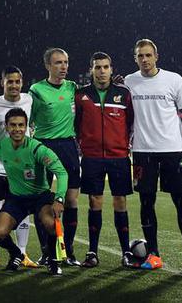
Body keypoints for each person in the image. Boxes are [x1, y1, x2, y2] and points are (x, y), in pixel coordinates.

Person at [124, 39, 182, 270]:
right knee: (146, 202)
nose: (145, 60)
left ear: (156, 56)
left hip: (173, 150)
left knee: (180, 202)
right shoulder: (129, 82)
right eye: (140, 56)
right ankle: (154, 255)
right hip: (142, 152)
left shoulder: (174, 80)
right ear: (135, 58)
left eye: (148, 55)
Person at [0, 108, 69, 276]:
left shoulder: (37, 149)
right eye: (13, 125)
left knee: (51, 224)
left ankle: (52, 260)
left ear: (27, 127)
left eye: (21, 125)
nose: (17, 129)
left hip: (40, 197)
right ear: (6, 127)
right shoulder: (1, 146)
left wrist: (59, 199)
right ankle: (16, 254)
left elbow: (61, 172)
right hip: (16, 199)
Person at [74, 52, 133, 267]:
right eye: (97, 67)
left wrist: (121, 144)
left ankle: (126, 252)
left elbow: (130, 123)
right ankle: (92, 252)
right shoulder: (81, 95)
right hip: (92, 157)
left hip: (119, 157)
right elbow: (77, 124)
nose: (101, 71)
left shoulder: (124, 94)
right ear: (91, 69)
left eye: (105, 67)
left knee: (120, 202)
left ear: (111, 69)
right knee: (94, 202)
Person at [0, 66, 36, 268]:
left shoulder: (29, 100)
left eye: (17, 81)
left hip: (21, 168)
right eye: (9, 81)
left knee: (22, 212)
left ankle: (22, 253)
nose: (13, 85)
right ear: (2, 82)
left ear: (22, 83)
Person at [29, 47, 81, 265]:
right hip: (44, 146)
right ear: (48, 66)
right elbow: (26, 118)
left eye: (66, 62)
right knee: (43, 202)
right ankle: (46, 251)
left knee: (70, 201)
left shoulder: (72, 87)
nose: (63, 67)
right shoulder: (36, 90)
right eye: (58, 63)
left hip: (68, 146)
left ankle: (68, 251)